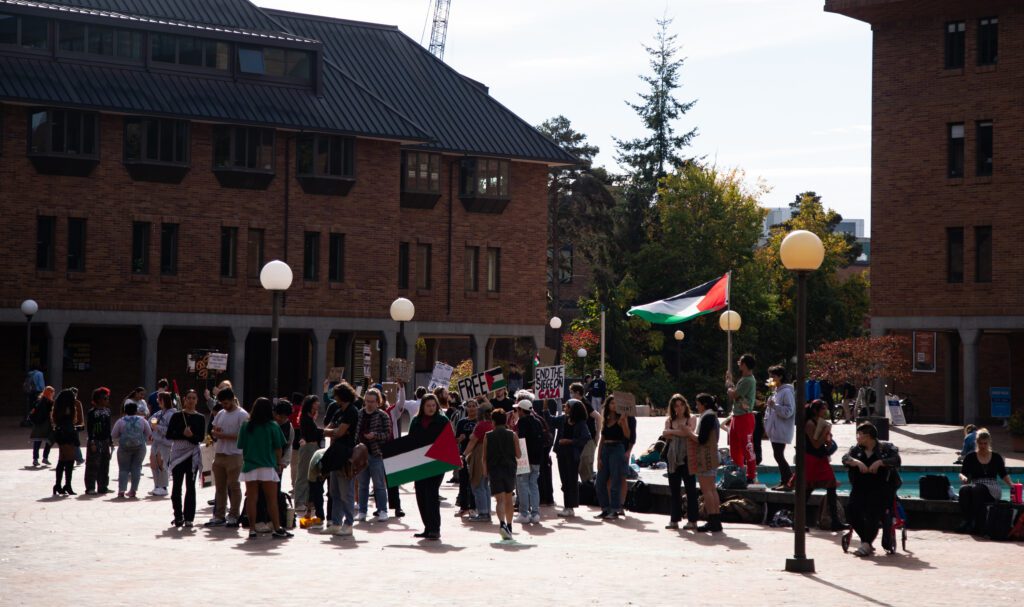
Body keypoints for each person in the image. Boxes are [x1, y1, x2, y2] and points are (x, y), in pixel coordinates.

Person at [842, 422, 902, 556]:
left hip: (880, 488)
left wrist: (880, 462)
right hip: (860, 488)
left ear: (868, 436)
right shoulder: (856, 449)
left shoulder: (885, 449)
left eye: (860, 435)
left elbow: (896, 460)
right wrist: (856, 462)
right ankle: (866, 541)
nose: (857, 438)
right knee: (851, 511)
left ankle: (865, 544)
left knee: (872, 512)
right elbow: (845, 458)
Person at [237, 397, 292, 540]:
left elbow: (241, 446)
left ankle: (252, 529)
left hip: (250, 465)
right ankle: (277, 528)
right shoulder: (273, 426)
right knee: (271, 499)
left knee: (252, 498)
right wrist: (278, 463)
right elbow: (279, 448)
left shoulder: (246, 425)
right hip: (268, 465)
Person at [957, 428, 1013, 535]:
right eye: (980, 443)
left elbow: (1003, 474)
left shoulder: (996, 457)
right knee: (964, 490)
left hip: (992, 487)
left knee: (977, 489)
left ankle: (974, 522)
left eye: (985, 443)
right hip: (976, 484)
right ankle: (967, 520)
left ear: (989, 442)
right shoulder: (970, 456)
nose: (983, 446)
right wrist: (963, 478)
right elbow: (962, 473)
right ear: (977, 443)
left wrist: (1011, 485)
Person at [205, 388, 248, 528]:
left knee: (234, 486)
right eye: (222, 403)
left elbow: (244, 436)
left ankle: (234, 515)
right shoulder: (221, 413)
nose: (224, 406)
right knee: (220, 487)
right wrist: (215, 433)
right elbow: (213, 429)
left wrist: (225, 436)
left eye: (226, 403)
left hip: (235, 455)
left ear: (232, 399)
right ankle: (219, 515)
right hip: (219, 453)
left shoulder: (242, 415)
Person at [410, 393, 448, 540]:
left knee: (431, 494)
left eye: (433, 405)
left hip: (436, 463)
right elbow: (411, 442)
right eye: (428, 406)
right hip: (419, 463)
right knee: (420, 494)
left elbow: (448, 441)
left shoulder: (442, 420)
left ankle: (435, 529)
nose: (431, 408)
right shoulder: (415, 421)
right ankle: (427, 527)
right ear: (423, 407)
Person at [166, 390, 206, 528]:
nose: (190, 400)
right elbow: (169, 434)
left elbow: (200, 438)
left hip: (192, 456)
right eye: (188, 398)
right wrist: (182, 433)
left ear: (197, 400)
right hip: (178, 455)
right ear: (184, 399)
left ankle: (189, 517)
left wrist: (191, 436)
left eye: (193, 398)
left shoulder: (200, 417)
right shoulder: (177, 415)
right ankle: (178, 516)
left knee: (191, 487)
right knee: (176, 486)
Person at [802, 399, 842, 531]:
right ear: (815, 410)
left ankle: (835, 521)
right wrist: (825, 431)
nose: (825, 411)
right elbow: (815, 444)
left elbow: (824, 444)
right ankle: (799, 521)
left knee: (831, 487)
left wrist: (829, 441)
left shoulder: (821, 423)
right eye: (823, 409)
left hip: (821, 458)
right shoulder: (809, 423)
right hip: (811, 459)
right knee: (807, 490)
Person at [325, 382, 359, 537]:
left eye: (336, 394)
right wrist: (334, 432)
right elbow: (332, 429)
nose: (334, 397)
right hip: (335, 453)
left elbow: (338, 432)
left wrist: (333, 432)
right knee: (334, 491)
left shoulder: (352, 411)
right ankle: (336, 523)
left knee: (346, 491)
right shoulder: (338, 411)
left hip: (346, 454)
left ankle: (349, 523)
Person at [549, 399, 591, 517]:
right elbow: (550, 420)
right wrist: (545, 406)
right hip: (561, 453)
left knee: (571, 480)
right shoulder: (563, 419)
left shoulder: (581, 423)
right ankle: (567, 506)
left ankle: (570, 507)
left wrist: (570, 441)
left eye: (567, 406)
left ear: (573, 409)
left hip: (572, 455)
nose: (565, 408)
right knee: (564, 480)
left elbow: (586, 438)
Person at [356, 388, 392, 523]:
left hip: (376, 454)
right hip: (361, 455)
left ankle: (383, 510)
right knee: (362, 484)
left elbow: (387, 435)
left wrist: (374, 436)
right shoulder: (359, 414)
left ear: (378, 402)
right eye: (367, 401)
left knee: (379, 485)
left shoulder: (383, 415)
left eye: (372, 401)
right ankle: (362, 511)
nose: (369, 404)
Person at [484, 408, 521, 539]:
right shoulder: (512, 434)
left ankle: (502, 524)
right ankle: (509, 526)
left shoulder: (488, 436)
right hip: (509, 469)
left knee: (499, 500)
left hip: (494, 470)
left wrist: (485, 472)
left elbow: (484, 457)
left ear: (493, 421)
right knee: (508, 499)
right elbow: (519, 454)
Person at [663, 394, 698, 530]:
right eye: (676, 405)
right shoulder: (669, 420)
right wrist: (681, 430)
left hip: (687, 456)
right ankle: (674, 519)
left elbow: (689, 432)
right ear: (672, 407)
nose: (679, 408)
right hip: (672, 458)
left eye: (681, 404)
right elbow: (665, 433)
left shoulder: (692, 418)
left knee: (691, 490)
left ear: (685, 405)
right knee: (674, 490)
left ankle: (693, 520)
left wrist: (673, 432)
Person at [688, 393, 722, 532]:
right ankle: (716, 520)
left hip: (706, 457)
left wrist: (688, 432)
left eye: (698, 404)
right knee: (712, 489)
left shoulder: (707, 417)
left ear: (704, 404)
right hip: (713, 456)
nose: (696, 406)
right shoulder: (713, 416)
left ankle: (713, 520)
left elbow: (701, 439)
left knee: (707, 490)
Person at [594, 395, 630, 520]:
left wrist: (624, 422)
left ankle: (615, 509)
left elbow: (627, 435)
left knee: (615, 481)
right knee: (599, 482)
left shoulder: (621, 419)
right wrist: (598, 458)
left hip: (617, 449)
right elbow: (602, 440)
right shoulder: (606, 419)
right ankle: (605, 508)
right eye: (611, 403)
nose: (613, 406)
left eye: (616, 403)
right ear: (608, 405)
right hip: (605, 450)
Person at [724, 353, 758, 483]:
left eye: (740, 362)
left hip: (744, 417)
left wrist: (729, 385)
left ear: (744, 364)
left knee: (747, 447)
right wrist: (731, 383)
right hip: (737, 416)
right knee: (735, 447)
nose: (739, 364)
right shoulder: (744, 379)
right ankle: (739, 471)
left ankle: (750, 475)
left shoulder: (748, 380)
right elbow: (737, 394)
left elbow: (734, 394)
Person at [763, 365, 796, 490]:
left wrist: (775, 406)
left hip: (781, 429)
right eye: (770, 376)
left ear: (780, 377)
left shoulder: (786, 391)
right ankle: (785, 481)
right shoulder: (776, 391)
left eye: (773, 376)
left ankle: (788, 482)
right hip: (774, 430)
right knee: (777, 455)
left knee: (778, 455)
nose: (771, 379)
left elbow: (789, 411)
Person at [112, 401, 152, 499]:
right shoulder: (142, 420)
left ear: (125, 411)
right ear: (136, 410)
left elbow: (114, 435)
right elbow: (149, 434)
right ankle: (133, 491)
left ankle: (121, 490)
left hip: (124, 448)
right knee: (137, 468)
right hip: (140, 447)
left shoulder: (120, 421)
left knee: (123, 469)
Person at [514, 397, 544, 524]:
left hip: (525, 457)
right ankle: (535, 513)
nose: (517, 412)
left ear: (522, 410)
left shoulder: (522, 422)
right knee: (533, 485)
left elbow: (521, 439)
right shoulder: (537, 421)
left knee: (523, 485)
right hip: (537, 458)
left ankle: (524, 513)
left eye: (518, 409)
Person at [462, 403, 494, 522]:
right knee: (485, 486)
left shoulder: (481, 425)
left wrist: (464, 454)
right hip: (490, 454)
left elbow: (472, 442)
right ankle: (487, 511)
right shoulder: (493, 424)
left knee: (478, 485)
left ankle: (483, 513)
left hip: (480, 453)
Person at [295, 396, 324, 520]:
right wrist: (324, 431)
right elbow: (311, 433)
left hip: (313, 447)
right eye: (316, 402)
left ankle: (307, 501)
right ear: (311, 404)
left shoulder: (312, 416)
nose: (318, 404)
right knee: (303, 474)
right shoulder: (305, 417)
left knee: (312, 475)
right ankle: (299, 501)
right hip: (308, 448)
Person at [51, 388, 84, 496]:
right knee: (68, 461)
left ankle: (59, 485)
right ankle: (66, 485)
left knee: (63, 461)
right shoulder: (67, 410)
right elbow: (69, 424)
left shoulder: (58, 408)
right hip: (67, 436)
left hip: (62, 435)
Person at [454, 397, 480, 516]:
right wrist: (460, 439)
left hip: (477, 455)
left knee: (474, 482)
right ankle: (463, 507)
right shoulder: (461, 422)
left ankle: (474, 507)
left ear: (477, 407)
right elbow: (455, 440)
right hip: (463, 455)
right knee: (463, 481)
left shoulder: (480, 422)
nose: (471, 408)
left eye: (474, 405)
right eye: (469, 406)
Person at [84, 387, 113, 495]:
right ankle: (90, 487)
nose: (107, 400)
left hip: (105, 441)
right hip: (95, 441)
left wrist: (110, 441)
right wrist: (91, 442)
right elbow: (90, 428)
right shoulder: (92, 412)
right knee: (92, 465)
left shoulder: (108, 411)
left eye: (107, 398)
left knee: (105, 464)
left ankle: (103, 486)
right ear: (98, 399)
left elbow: (109, 428)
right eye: (105, 398)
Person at [570, 382, 601, 483]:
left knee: (586, 464)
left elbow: (598, 417)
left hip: (589, 439)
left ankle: (589, 489)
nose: (570, 395)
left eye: (572, 392)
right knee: (581, 465)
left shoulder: (585, 403)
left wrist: (597, 434)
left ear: (578, 393)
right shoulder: (575, 404)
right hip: (581, 439)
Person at [148, 392, 176, 497]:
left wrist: (157, 427)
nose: (157, 401)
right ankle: (157, 485)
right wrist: (153, 426)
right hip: (156, 441)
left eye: (159, 399)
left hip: (165, 443)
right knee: (153, 462)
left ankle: (163, 487)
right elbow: (151, 420)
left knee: (162, 463)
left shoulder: (172, 414)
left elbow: (171, 430)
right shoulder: (159, 413)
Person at [29, 386, 55, 467]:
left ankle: (35, 459)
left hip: (37, 425)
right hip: (46, 424)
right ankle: (45, 457)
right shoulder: (49, 402)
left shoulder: (38, 400)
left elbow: (32, 411)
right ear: (50, 393)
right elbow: (51, 414)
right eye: (52, 393)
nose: (53, 395)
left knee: (37, 441)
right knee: (50, 440)